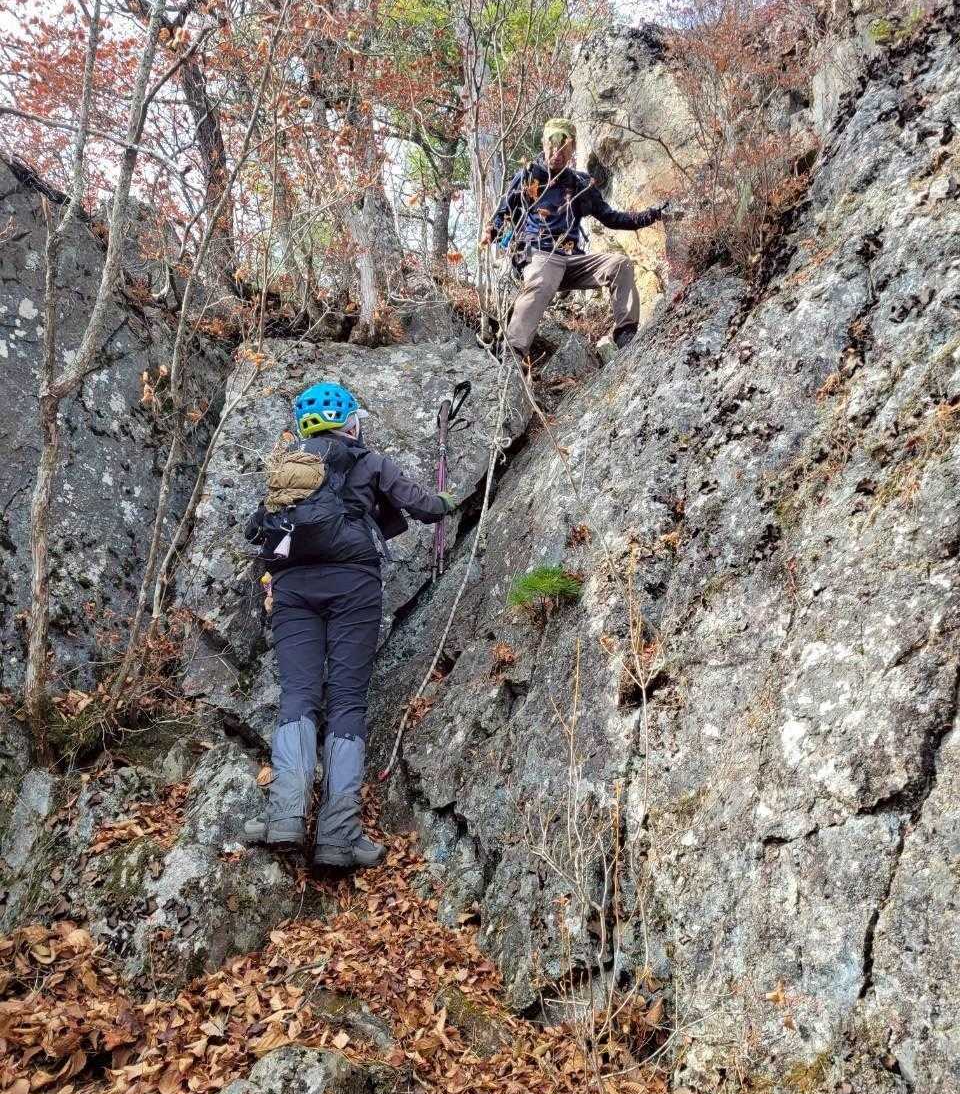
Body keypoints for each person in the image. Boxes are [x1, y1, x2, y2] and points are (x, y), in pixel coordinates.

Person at [244, 382, 454, 870]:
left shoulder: (290, 469)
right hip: (354, 587)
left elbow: (258, 530)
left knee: (298, 695)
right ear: (351, 422)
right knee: (346, 701)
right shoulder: (368, 460)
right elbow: (422, 505)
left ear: (303, 426)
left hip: (293, 589)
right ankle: (339, 836)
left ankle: (286, 818)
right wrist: (446, 501)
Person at [482, 117, 673, 361]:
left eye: (564, 148)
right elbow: (503, 212)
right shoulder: (528, 176)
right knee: (541, 279)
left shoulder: (580, 184)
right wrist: (491, 231)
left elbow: (612, 218)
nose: (557, 153)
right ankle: (512, 353)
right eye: (552, 145)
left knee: (619, 264)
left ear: (572, 150)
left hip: (570, 259)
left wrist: (653, 215)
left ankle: (626, 336)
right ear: (543, 143)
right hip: (539, 254)